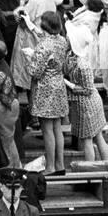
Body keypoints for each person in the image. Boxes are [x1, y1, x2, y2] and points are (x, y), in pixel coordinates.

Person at [27, 11, 70, 174]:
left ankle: (51, 166)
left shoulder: (44, 45)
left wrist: (29, 57)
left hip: (45, 87)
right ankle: (60, 165)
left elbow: (35, 71)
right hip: (58, 85)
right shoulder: (62, 40)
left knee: (47, 130)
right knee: (57, 128)